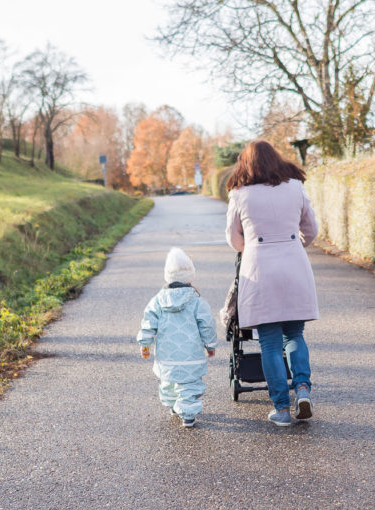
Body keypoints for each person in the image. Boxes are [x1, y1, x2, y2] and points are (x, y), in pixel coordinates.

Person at [225, 140, 319, 426]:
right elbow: (311, 230)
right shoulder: (295, 187)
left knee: (269, 342)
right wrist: (295, 244)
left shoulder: (240, 194)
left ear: (247, 164)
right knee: (295, 335)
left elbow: (233, 238)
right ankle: (302, 389)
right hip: (294, 265)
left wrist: (250, 247)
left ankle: (281, 408)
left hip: (260, 271)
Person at [137, 247, 217, 428]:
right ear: (190, 277)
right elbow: (207, 324)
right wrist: (210, 345)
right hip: (191, 355)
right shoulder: (196, 301)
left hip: (167, 355)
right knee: (190, 384)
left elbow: (148, 322)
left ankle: (174, 406)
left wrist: (145, 344)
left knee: (169, 381)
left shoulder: (157, 300)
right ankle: (187, 414)